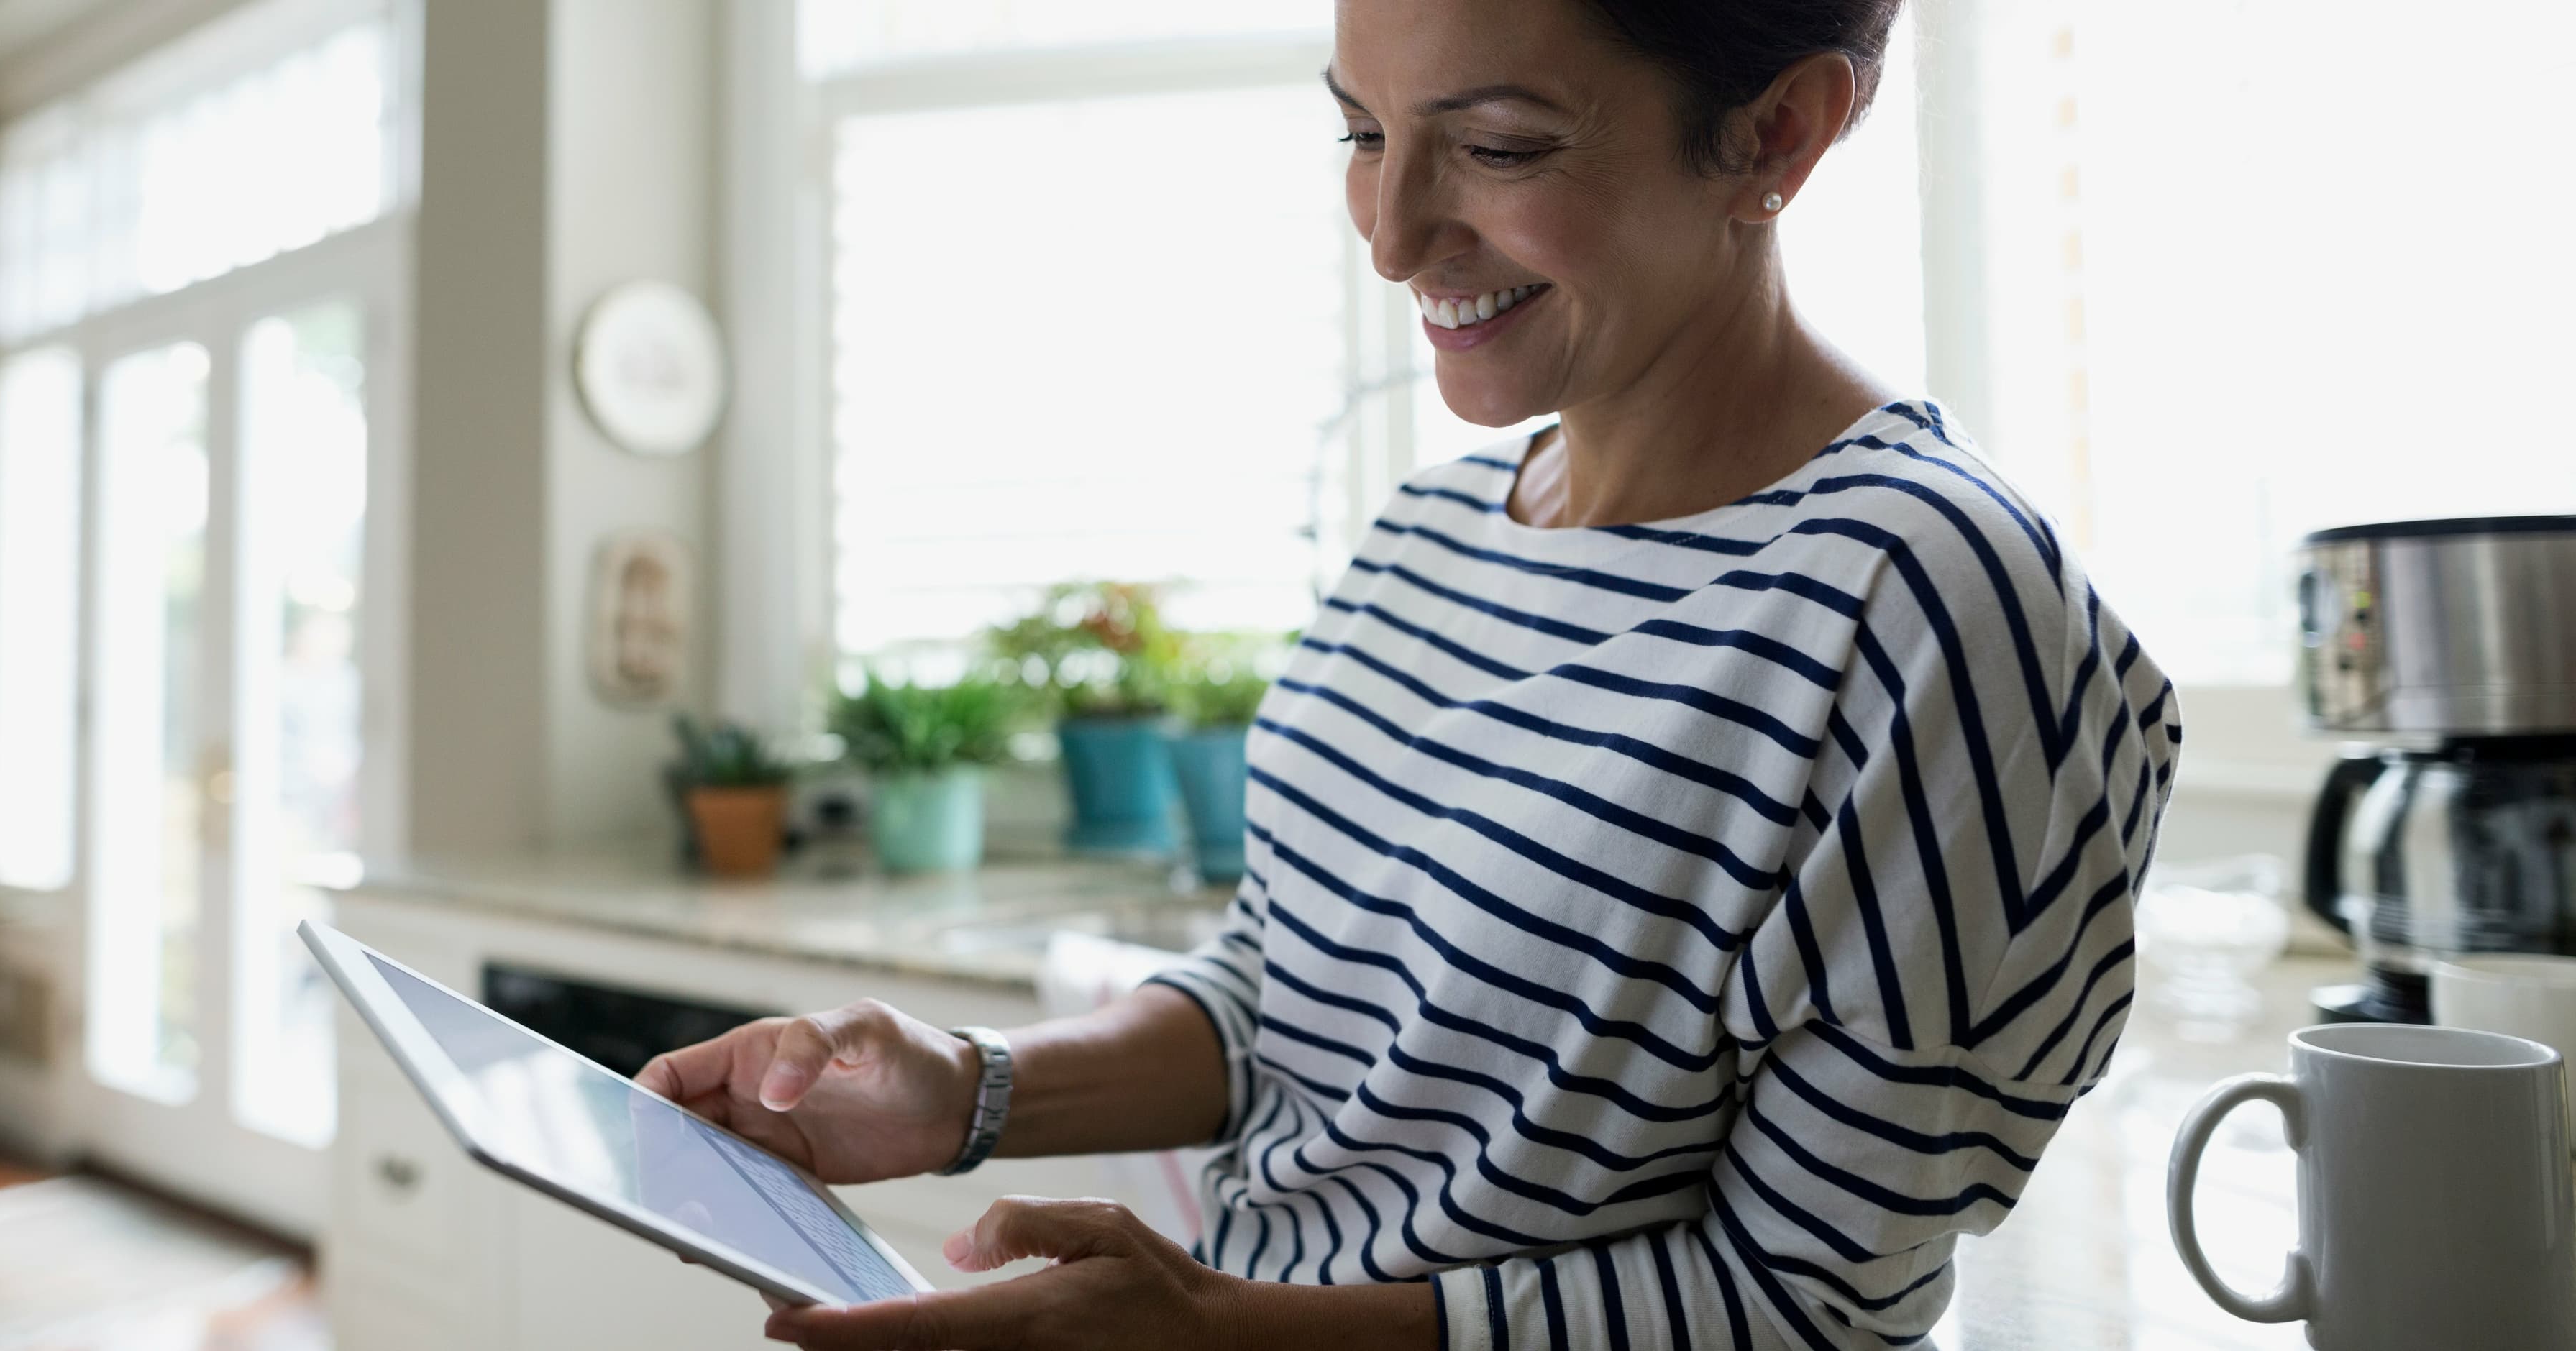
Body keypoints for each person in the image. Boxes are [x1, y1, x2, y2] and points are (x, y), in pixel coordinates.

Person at [638, 0, 2180, 1345]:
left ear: (1778, 128)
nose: (1388, 236)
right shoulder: (1437, 530)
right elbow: (1287, 999)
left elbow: (1805, 1304)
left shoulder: (1929, 609)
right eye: (1362, 133)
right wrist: (967, 1089)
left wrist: (1228, 1334)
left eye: (1498, 146)